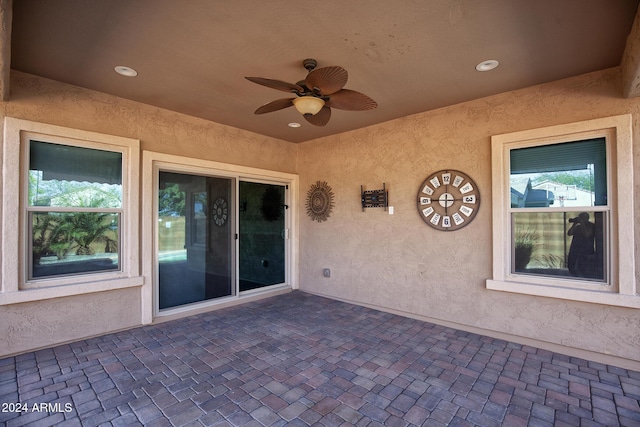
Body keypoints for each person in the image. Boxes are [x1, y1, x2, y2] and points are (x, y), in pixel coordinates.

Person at [567, 212, 595, 277]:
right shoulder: (578, 227)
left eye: (582, 218)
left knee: (583, 267)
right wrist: (574, 224)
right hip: (575, 248)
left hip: (585, 249)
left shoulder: (591, 225)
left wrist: (582, 224)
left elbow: (587, 234)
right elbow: (569, 233)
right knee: (572, 265)